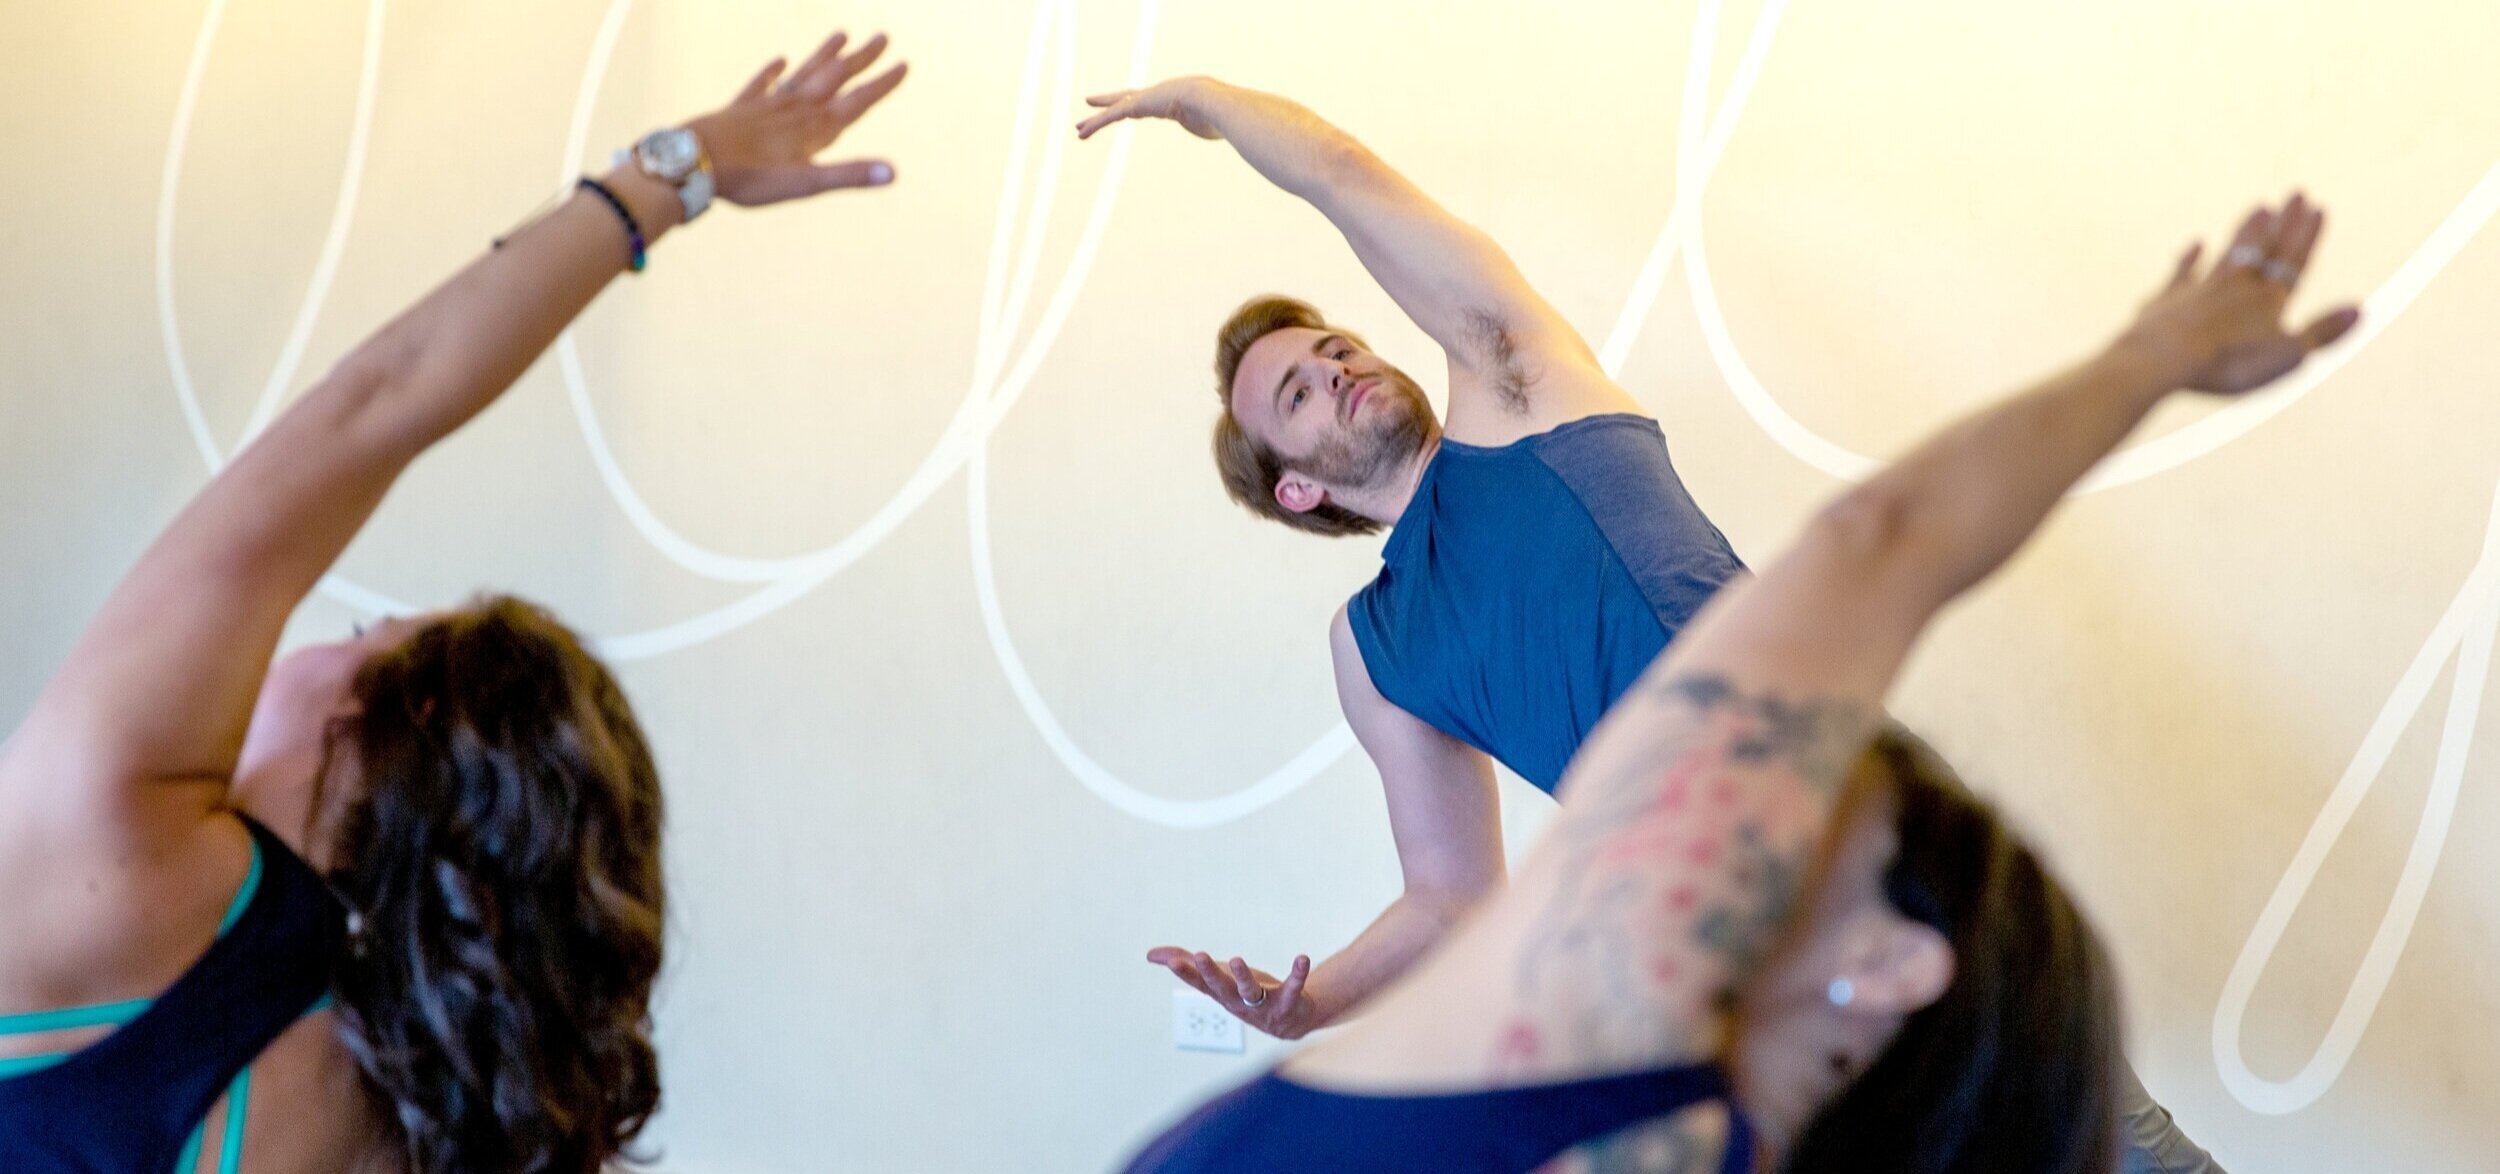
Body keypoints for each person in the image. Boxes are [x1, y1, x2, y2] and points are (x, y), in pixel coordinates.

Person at [1078, 76, 2221, 1173]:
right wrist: (1309, 1000)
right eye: (1297, 394)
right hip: (1699, 952)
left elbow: (1340, 171)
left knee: (2099, 1140)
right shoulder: (1373, 649)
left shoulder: (1516, 385)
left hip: (1861, 837)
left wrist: (1215, 108)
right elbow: (1448, 896)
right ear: (1295, 488)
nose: (1338, 371)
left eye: (1336, 348)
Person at [0, 29, 905, 1173]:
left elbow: (371, 407)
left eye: (356, 633)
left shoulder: (115, 858)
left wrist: (675, 173)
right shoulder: (423, 1099)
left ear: (382, 720)